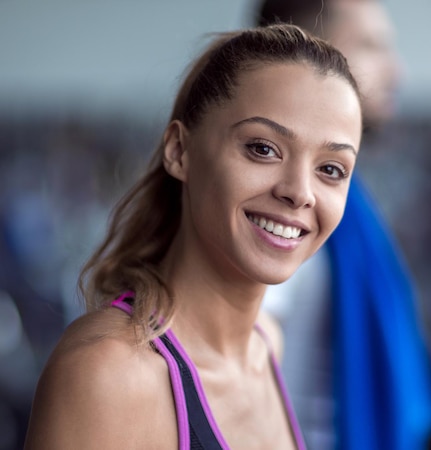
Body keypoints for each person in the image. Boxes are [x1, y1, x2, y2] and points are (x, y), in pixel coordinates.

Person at [23, 23, 363, 450]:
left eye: (331, 169)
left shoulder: (267, 345)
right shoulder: (107, 372)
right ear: (179, 151)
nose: (299, 192)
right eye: (262, 148)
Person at [253, 2, 431, 450]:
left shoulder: (348, 206)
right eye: (372, 46)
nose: (398, 72)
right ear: (308, 52)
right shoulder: (282, 211)